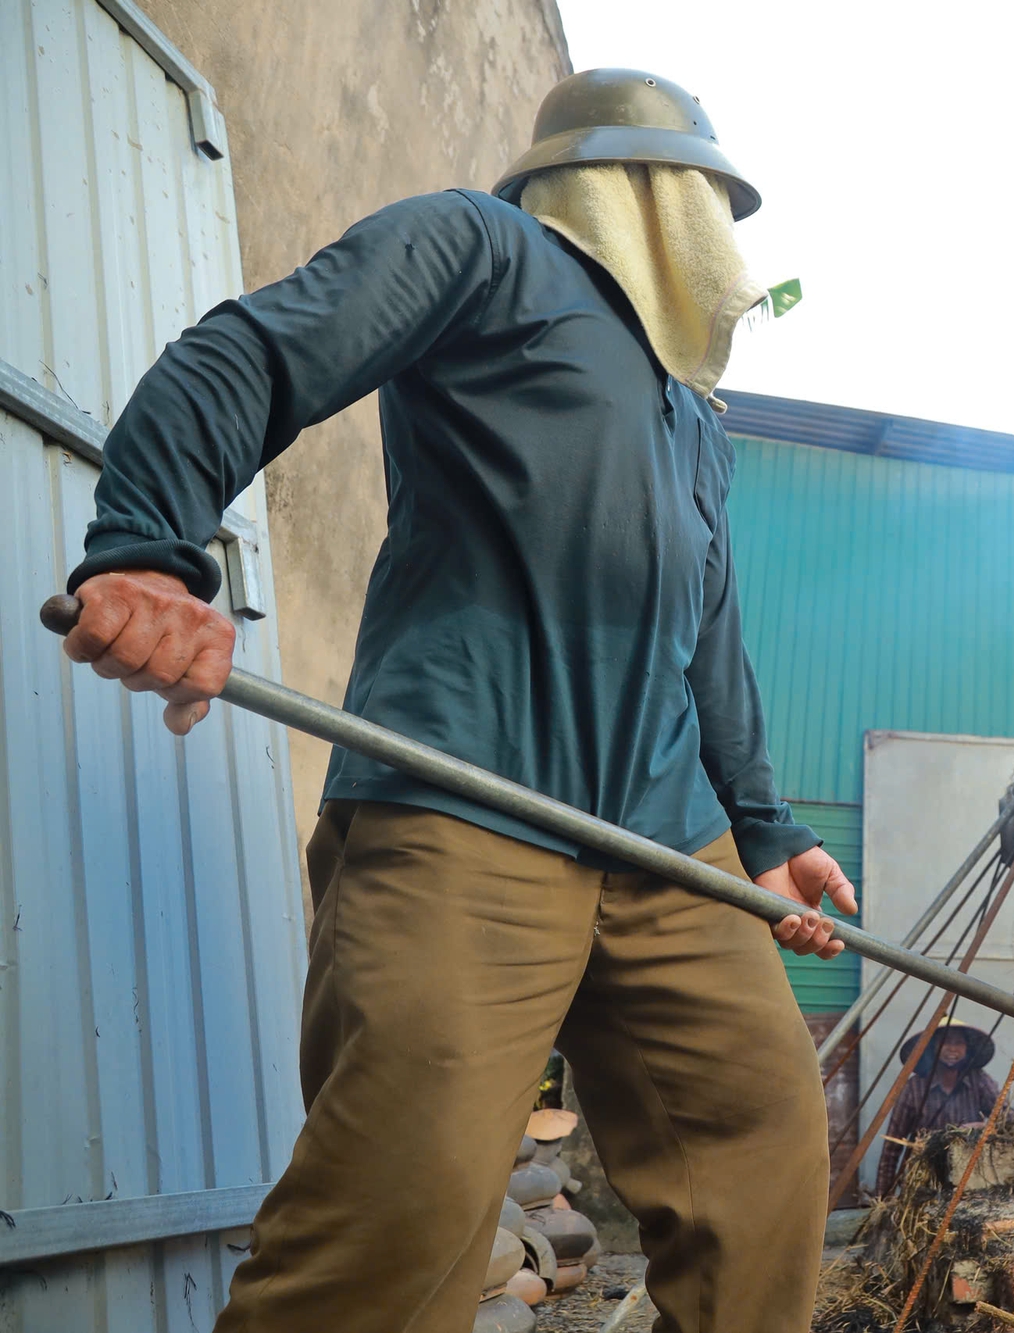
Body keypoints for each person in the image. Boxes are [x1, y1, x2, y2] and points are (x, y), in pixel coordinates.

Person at [55, 68, 852, 1333]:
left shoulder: (695, 419)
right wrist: (151, 541)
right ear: (645, 188)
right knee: (394, 1230)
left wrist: (768, 831)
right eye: (710, 201)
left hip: (663, 840)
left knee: (760, 1145)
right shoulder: (485, 251)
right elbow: (257, 351)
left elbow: (707, 625)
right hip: (463, 806)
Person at [874, 1025, 1001, 1196]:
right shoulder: (915, 1087)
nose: (952, 1049)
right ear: (933, 1048)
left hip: (971, 1180)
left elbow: (1009, 1118)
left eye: (958, 1043)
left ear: (967, 1049)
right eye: (945, 1042)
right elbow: (892, 1147)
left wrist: (982, 1126)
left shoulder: (979, 1080)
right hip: (925, 1180)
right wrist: (882, 1198)